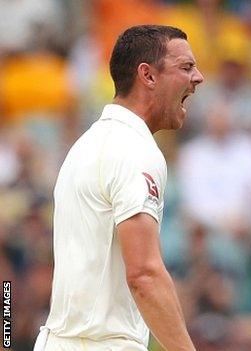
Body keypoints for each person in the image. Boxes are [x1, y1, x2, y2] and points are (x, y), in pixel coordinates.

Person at [33, 25, 204, 350]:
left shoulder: (86, 146)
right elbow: (144, 275)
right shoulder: (136, 152)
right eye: (186, 67)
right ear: (148, 76)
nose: (199, 77)